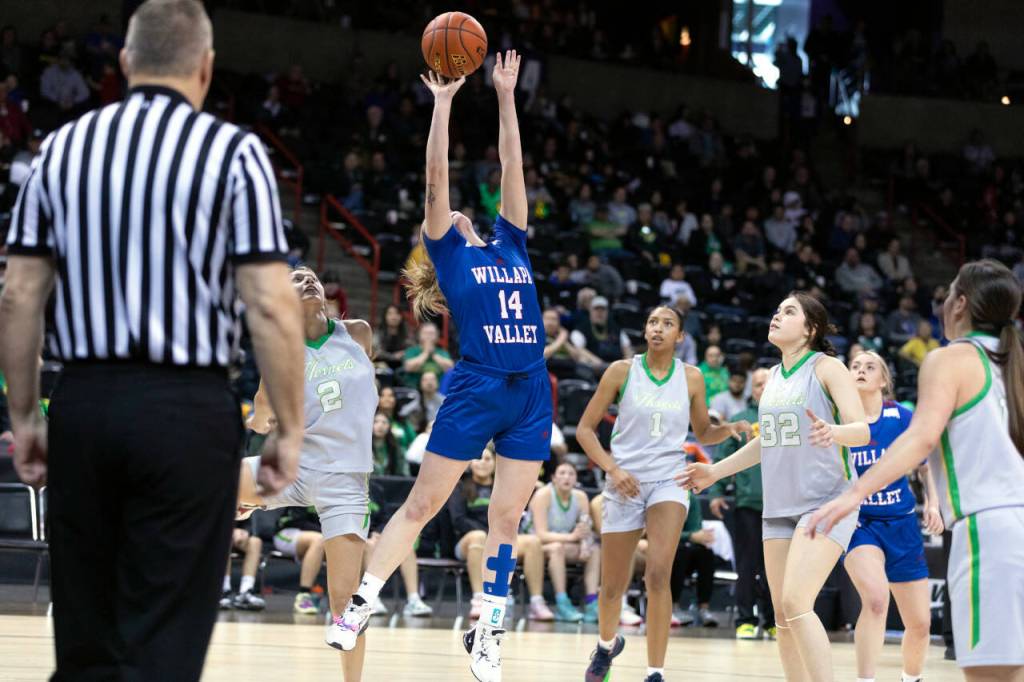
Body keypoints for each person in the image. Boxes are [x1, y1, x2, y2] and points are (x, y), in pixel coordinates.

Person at [0, 2, 305, 678]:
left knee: (86, 643)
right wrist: (288, 426)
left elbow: (19, 294)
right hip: (186, 414)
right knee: (161, 644)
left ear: (128, 65)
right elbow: (271, 304)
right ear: (205, 67)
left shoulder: (58, 151)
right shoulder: (235, 152)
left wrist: (25, 417)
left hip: (84, 403)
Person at [335, 52, 552, 682]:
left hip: (531, 389)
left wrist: (507, 96)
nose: (457, 212)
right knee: (426, 501)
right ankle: (360, 604)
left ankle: (488, 629)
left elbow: (513, 164)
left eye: (460, 213)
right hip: (479, 384)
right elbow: (436, 178)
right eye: (449, 215)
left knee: (507, 517)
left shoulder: (511, 240)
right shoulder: (451, 255)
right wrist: (444, 102)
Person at [810, 260, 1024, 682]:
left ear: (960, 304)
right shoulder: (1013, 363)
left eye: (946, 295)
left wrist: (854, 493)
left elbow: (920, 440)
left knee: (991, 675)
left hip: (989, 530)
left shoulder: (951, 359)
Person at [681, 291, 870, 682]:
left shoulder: (827, 367)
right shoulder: (773, 379)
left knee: (796, 602)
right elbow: (766, 441)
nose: (776, 315)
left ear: (810, 328)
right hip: (779, 505)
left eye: (789, 311)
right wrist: (715, 472)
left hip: (825, 501)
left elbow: (862, 431)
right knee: (783, 617)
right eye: (777, 308)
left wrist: (832, 431)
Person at [576, 306, 752, 682]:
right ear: (645, 330)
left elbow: (703, 432)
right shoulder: (621, 371)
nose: (658, 328)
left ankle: (655, 672)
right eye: (653, 322)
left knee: (658, 575)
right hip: (625, 479)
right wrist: (613, 469)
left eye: (667, 324)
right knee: (612, 586)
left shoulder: (692, 377)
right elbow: (585, 431)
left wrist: (729, 429)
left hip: (669, 481)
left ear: (680, 337)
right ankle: (606, 647)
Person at [238, 266, 376, 681]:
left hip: (346, 481)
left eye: (311, 276)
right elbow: (261, 419)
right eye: (296, 280)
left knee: (344, 604)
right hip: (294, 466)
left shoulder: (357, 333)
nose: (308, 281)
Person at [844, 351, 944, 682]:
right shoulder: (840, 419)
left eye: (869, 366)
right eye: (855, 366)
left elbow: (925, 465)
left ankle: (910, 678)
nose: (860, 370)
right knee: (875, 599)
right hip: (861, 524)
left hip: (902, 522)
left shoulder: (901, 417)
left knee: (919, 623)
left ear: (884, 380)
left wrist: (932, 502)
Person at [448, 446, 555, 622]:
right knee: (479, 537)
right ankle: (479, 598)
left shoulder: (505, 486)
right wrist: (489, 534)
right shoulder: (459, 487)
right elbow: (458, 520)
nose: (483, 463)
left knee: (533, 542)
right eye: (479, 458)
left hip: (497, 540)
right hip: (467, 542)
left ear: (496, 462)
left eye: (488, 459)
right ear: (470, 462)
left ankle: (537, 601)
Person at [708, 367, 776, 640]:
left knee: (774, 569)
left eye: (766, 384)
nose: (762, 389)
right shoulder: (741, 420)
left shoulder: (786, 418)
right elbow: (722, 459)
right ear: (752, 389)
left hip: (781, 505)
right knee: (747, 565)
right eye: (758, 384)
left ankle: (773, 622)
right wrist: (716, 492)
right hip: (748, 504)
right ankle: (745, 620)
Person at [527, 462, 600, 622]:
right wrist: (572, 538)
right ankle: (562, 602)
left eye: (571, 474)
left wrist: (584, 544)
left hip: (564, 543)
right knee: (556, 548)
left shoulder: (580, 497)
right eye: (562, 473)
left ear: (576, 479)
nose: (566, 477)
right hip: (535, 547)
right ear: (553, 478)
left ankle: (591, 602)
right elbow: (540, 534)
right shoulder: (543, 495)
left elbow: (585, 528)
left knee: (594, 550)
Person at [670, 490, 718, 627]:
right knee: (679, 553)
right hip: (666, 547)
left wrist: (694, 536)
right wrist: (690, 536)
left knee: (705, 553)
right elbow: (660, 531)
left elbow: (696, 530)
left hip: (684, 547)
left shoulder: (691, 498)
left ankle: (703, 607)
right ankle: (673, 606)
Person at [272, 505, 328, 615]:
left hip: (321, 535)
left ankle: (352, 600)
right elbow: (298, 521)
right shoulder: (304, 488)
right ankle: (304, 595)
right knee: (319, 540)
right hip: (288, 532)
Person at [220, 518, 266, 612]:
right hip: (216, 536)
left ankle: (245, 593)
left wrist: (244, 532)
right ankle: (223, 591)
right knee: (224, 537)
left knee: (255, 542)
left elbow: (248, 523)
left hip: (236, 537)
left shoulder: (242, 502)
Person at [401, 321, 453, 388]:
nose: (428, 336)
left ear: (437, 336)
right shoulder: (412, 351)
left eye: (431, 333)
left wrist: (433, 354)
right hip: (416, 388)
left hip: (440, 389)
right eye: (426, 333)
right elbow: (408, 367)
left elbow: (450, 368)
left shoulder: (442, 352)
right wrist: (425, 353)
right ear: (420, 335)